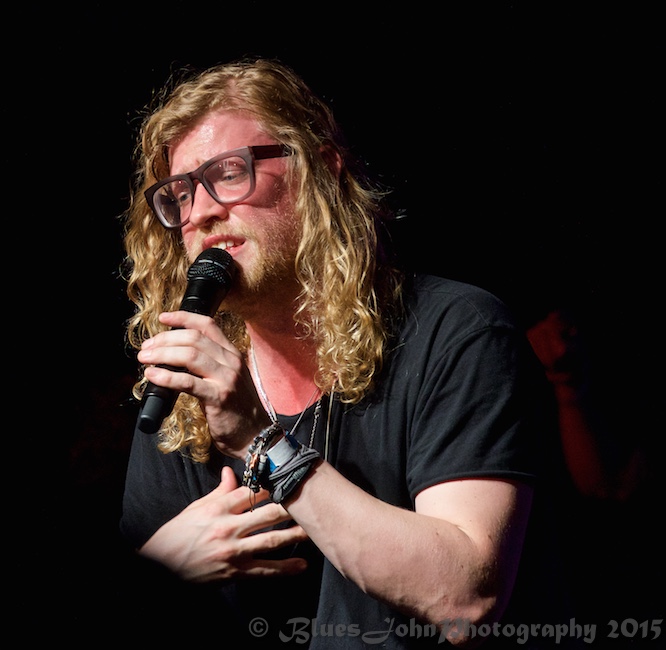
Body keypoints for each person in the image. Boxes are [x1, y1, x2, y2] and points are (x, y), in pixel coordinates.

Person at [118, 58, 577, 648]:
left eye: (229, 173)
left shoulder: (456, 330)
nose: (201, 211)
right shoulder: (188, 382)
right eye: (180, 195)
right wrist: (169, 564)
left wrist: (262, 440)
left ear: (320, 173)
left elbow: (467, 595)